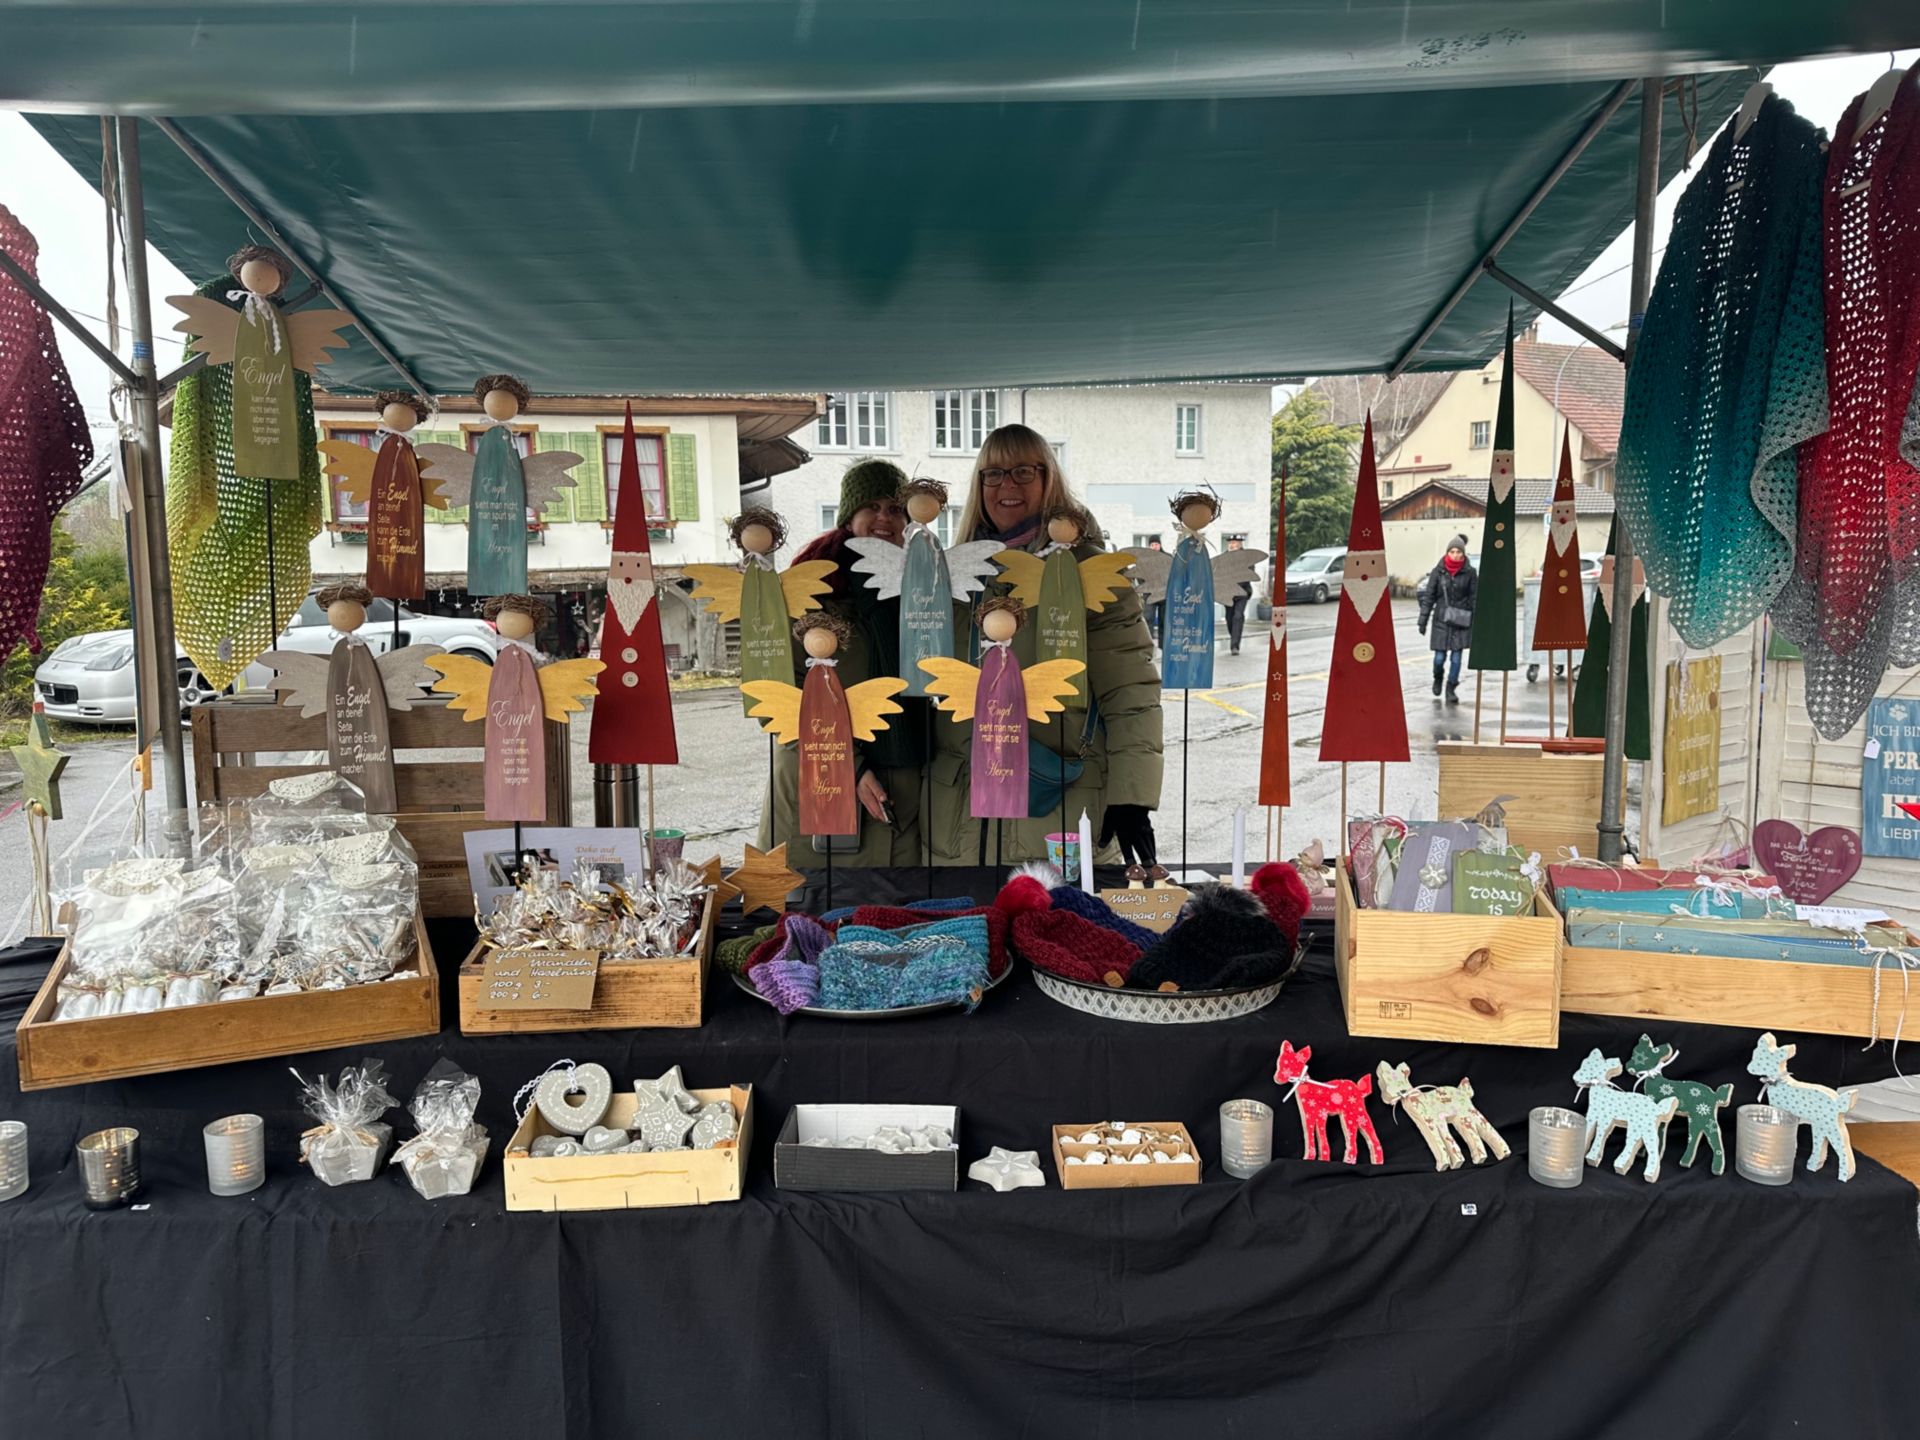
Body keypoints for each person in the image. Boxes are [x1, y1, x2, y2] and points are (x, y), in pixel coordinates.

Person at [931, 424, 1163, 867]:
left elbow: (1131, 691)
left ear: (1048, 477)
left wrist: (1132, 795)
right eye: (993, 474)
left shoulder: (1090, 573)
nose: (1007, 486)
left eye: (1023, 471)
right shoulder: (953, 572)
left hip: (1058, 810)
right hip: (959, 824)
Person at [755, 458, 924, 864]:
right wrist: (851, 767)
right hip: (821, 782)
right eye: (872, 506)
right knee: (811, 900)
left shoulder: (922, 592)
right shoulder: (811, 590)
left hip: (900, 789)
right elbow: (776, 699)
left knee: (894, 900)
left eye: (895, 509)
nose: (884, 518)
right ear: (849, 516)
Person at [1417, 533, 1478, 705]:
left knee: (1456, 659)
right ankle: (1438, 677)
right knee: (1439, 659)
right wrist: (1422, 621)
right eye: (1452, 552)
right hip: (1441, 620)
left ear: (1463, 553)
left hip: (1461, 621)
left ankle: (1451, 687)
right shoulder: (1438, 571)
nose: (1455, 555)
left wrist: (1476, 621)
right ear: (1447, 553)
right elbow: (1429, 597)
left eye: (1458, 552)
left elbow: (1475, 598)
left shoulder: (1470, 573)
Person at [1222, 536, 1249, 655]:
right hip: (1228, 594)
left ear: (1240, 545)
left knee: (1237, 616)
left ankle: (1235, 646)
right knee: (1229, 618)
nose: (1231, 545)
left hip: (1242, 593)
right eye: (1230, 543)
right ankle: (1234, 635)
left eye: (1234, 543)